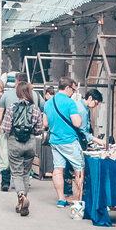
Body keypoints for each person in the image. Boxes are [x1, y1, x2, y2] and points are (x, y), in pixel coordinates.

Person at [43, 78, 86, 219]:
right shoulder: (70, 103)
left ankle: (61, 199)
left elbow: (45, 124)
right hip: (69, 140)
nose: (73, 93)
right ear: (67, 88)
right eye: (73, 89)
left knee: (58, 169)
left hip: (55, 141)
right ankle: (79, 201)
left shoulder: (48, 103)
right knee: (79, 168)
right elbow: (77, 123)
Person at [6, 79, 44, 217]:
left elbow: (6, 127)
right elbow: (40, 129)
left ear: (17, 93)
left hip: (14, 142)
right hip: (30, 143)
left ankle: (21, 195)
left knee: (16, 173)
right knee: (26, 173)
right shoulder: (35, 108)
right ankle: (21, 202)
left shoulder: (12, 107)